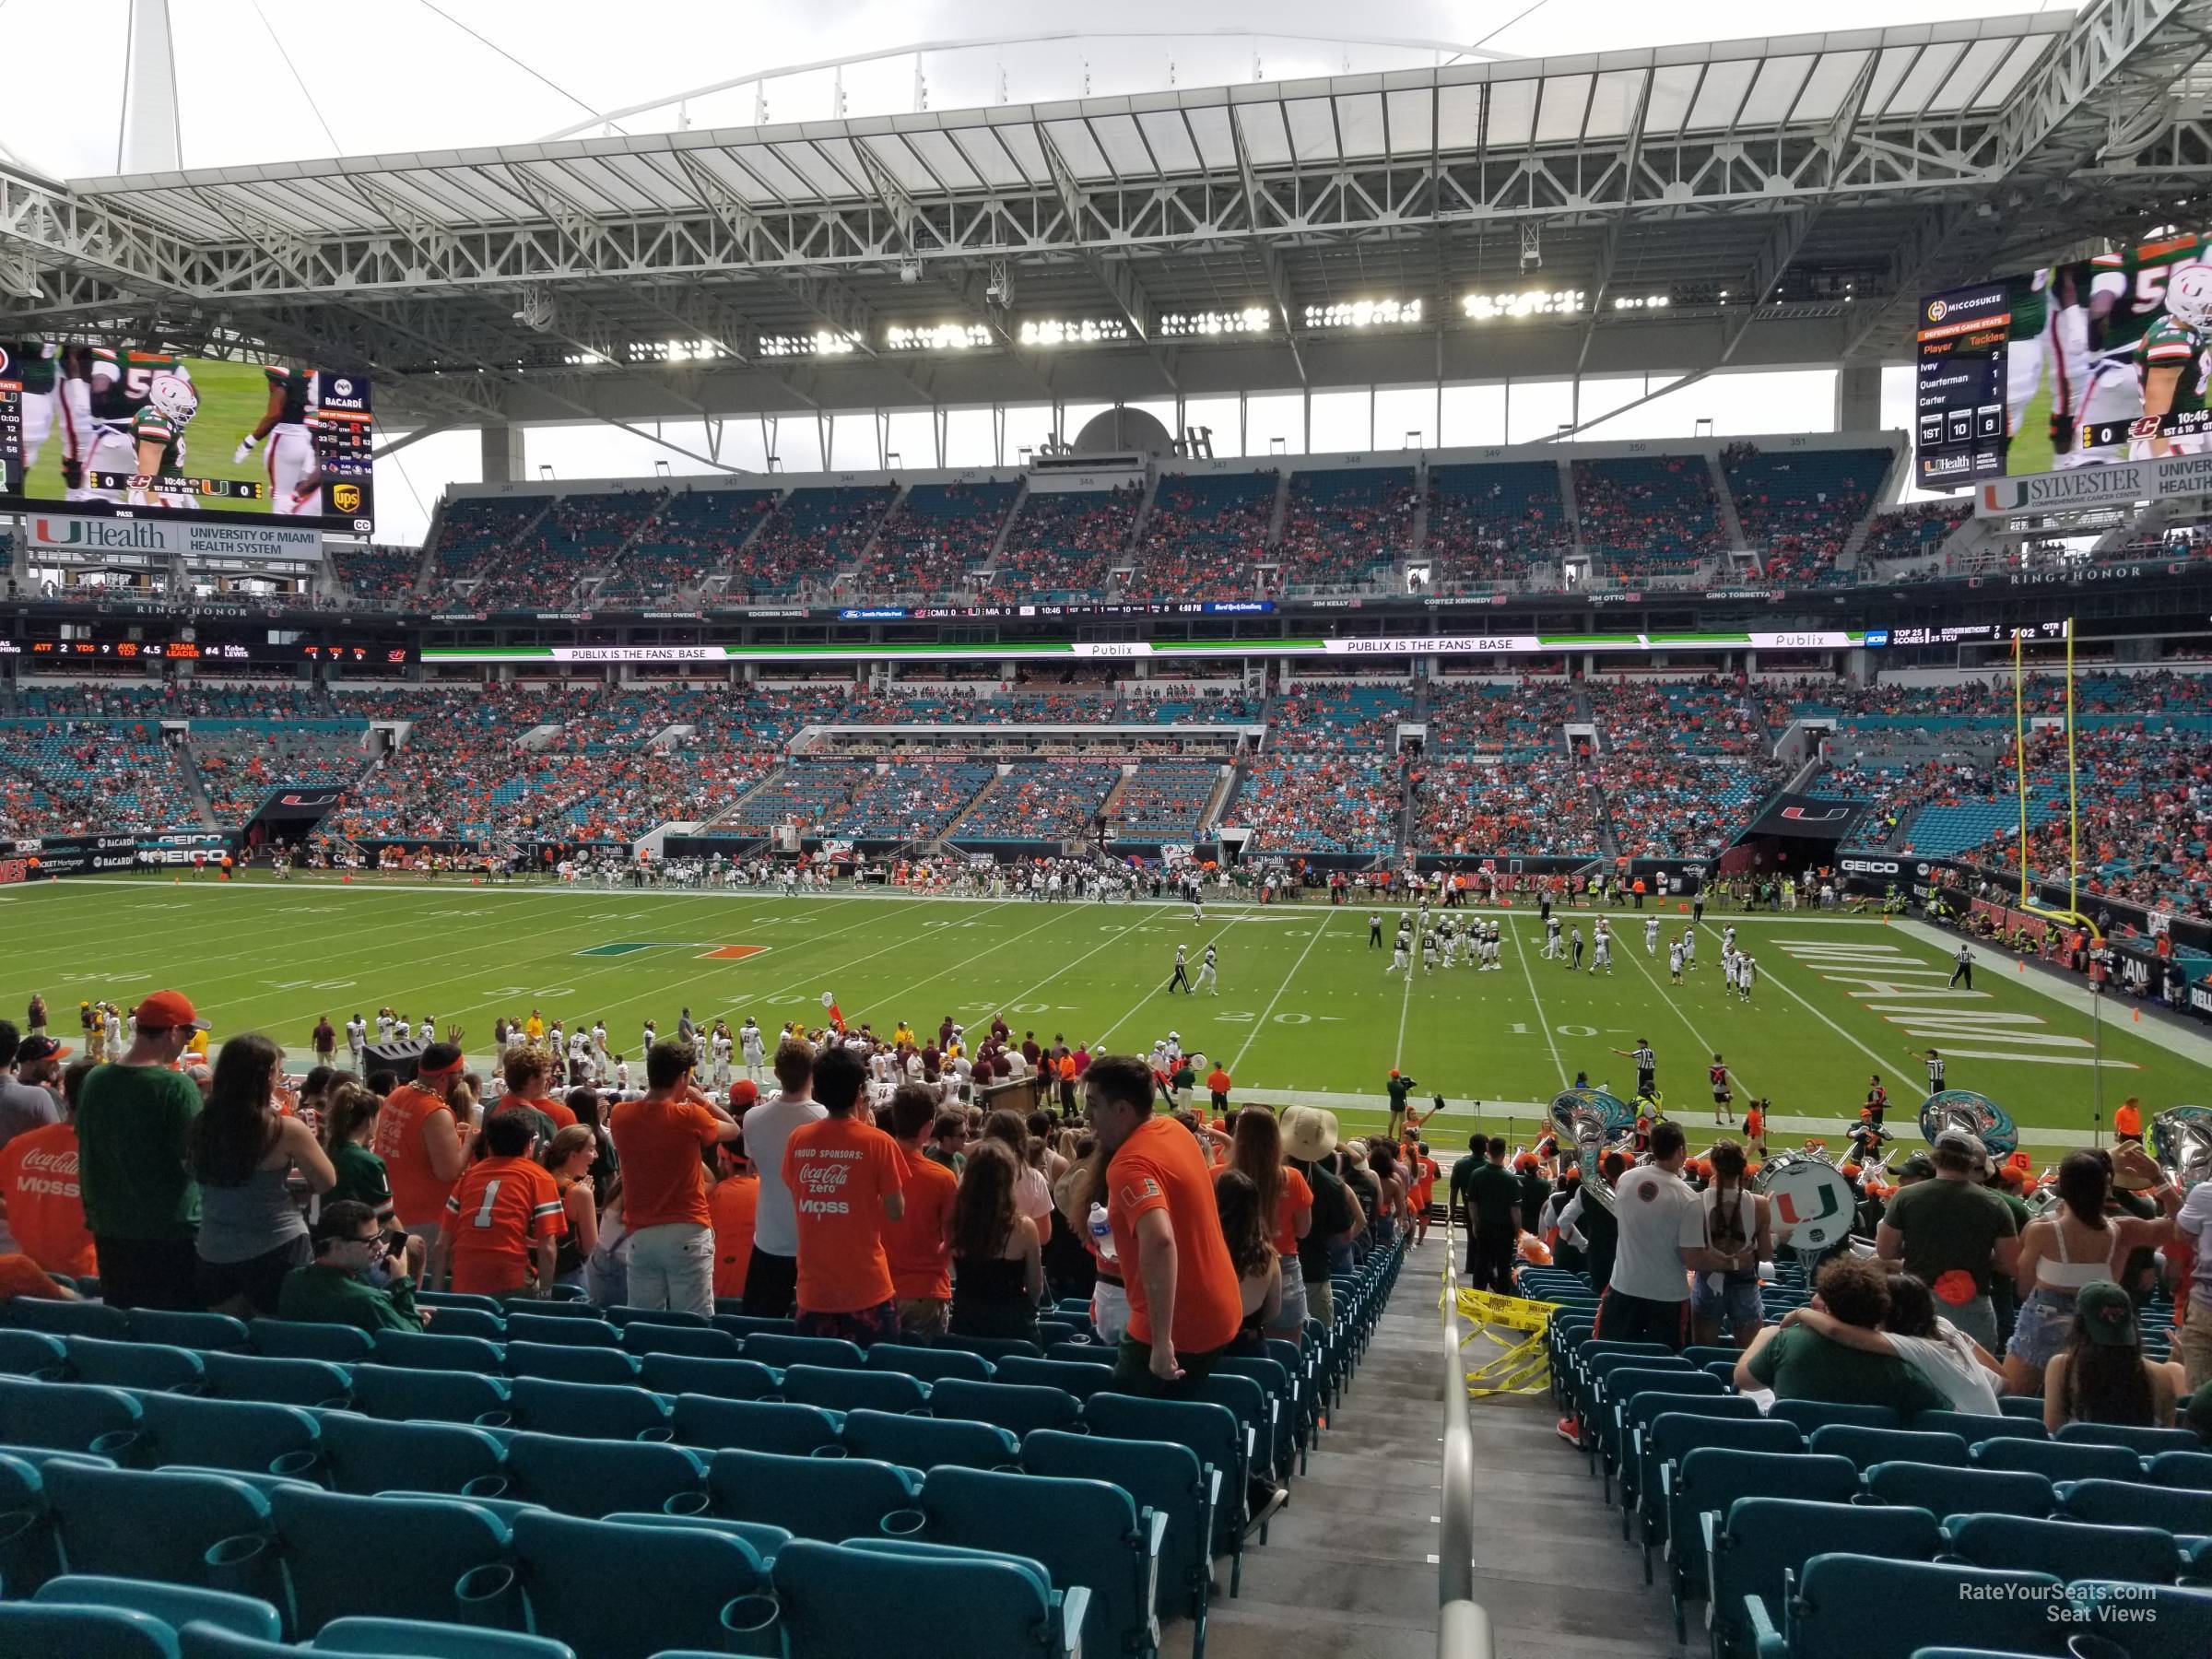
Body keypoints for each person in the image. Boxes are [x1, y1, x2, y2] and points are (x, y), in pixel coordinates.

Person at [1084, 1053, 1241, 1394]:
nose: (1086, 1117)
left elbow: (1160, 1240)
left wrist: (1160, 1341)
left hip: (1181, 1325)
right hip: (1220, 1307)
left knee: (1124, 1424)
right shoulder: (1172, 1129)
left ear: (1123, 1110)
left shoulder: (1128, 1164)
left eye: (1094, 1105)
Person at [2006, 1147, 2177, 1397]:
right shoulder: (2124, 1230)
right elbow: (2183, 1225)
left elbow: (2023, 1288)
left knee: (2013, 1397)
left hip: (2042, 1326)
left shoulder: (2040, 1230)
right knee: (2096, 1400)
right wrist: (2158, 1178)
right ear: (2107, 1185)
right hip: (2101, 1327)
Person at [76, 990, 206, 1310]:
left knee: (123, 1321)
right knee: (172, 1326)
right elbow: (196, 1160)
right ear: (173, 1031)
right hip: (168, 1229)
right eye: (189, 1032)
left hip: (110, 1225)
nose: (189, 1040)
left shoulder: (95, 1078)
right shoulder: (176, 1086)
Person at [191, 1033, 337, 1316]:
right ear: (267, 1075)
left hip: (213, 1248)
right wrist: (300, 1191)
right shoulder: (285, 1129)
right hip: (276, 1246)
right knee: (278, 1336)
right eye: (278, 1071)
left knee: (226, 1338)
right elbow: (326, 1180)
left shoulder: (201, 1124)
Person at [610, 1039, 742, 1316]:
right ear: (683, 1076)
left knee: (644, 1321)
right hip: (687, 1228)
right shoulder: (689, 1115)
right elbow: (733, 1130)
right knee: (693, 1323)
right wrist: (701, 1100)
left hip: (641, 1232)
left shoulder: (620, 1115)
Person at [782, 1047, 906, 1346]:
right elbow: (896, 1210)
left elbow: (795, 1190)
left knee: (820, 1382)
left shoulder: (798, 1138)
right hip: (866, 1288)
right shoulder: (878, 1142)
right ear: (859, 1092)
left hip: (813, 1290)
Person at [1735, 1255, 1949, 1415]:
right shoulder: (1901, 1367)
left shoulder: (1788, 1340)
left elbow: (1744, 1380)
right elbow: (1940, 1411)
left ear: (1827, 1306)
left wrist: (1765, 1335)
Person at [1597, 1122, 1744, 1349]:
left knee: (1614, 1357)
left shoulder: (1626, 1179)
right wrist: (1733, 1262)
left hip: (1623, 1287)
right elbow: (1693, 1259)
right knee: (1664, 1364)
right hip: (1666, 1299)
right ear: (1681, 1150)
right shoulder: (1688, 1198)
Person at [1876, 1129, 2020, 1353]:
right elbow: (2009, 1264)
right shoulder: (1995, 1203)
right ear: (1971, 1162)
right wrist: (1974, 1257)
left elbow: (1885, 1252)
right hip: (1972, 1304)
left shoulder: (1905, 1196)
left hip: (1918, 1301)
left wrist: (1924, 1254)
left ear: (1935, 1158)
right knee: (1976, 1374)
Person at [1778, 1272, 2002, 1416]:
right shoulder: (1943, 1326)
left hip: (1968, 1436)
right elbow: (2006, 1383)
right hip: (1987, 1431)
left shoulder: (1914, 1346)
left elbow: (1837, 1331)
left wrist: (1800, 1313)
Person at [738, 1040, 826, 1317]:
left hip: (770, 1236)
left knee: (762, 1324)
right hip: (812, 1238)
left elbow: (754, 1164)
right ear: (813, 1072)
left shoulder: (752, 1118)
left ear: (776, 1074)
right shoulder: (824, 1118)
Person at [2045, 1279, 2189, 1430]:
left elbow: (2054, 1432)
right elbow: (2165, 1437)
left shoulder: (2062, 1367)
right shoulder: (2162, 1375)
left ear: (2078, 1325)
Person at [372, 1044, 475, 1255]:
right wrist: (470, 1141)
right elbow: (448, 1172)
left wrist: (452, 1135)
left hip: (396, 1210)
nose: (463, 1078)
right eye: (460, 1073)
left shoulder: (397, 1094)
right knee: (419, 1279)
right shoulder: (436, 1112)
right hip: (427, 1218)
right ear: (443, 1077)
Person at [0, 1055, 97, 1277]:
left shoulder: (21, 1145)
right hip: (84, 1278)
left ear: (64, 1092)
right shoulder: (106, 1152)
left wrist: (20, 1211)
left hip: (25, 1274)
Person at [1222, 1107, 1312, 1340]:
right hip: (1282, 1264)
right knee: (1287, 1355)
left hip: (1227, 1265)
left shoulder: (1216, 1176)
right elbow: (1303, 1230)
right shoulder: (1293, 1178)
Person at [278, 1199, 431, 1333]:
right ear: (337, 1245)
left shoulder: (292, 1281)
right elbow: (411, 1338)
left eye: (379, 1236)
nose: (379, 1245)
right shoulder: (369, 1302)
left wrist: (389, 1309)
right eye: (369, 1241)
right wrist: (401, 1281)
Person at [881, 1082, 958, 1338]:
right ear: (928, 1127)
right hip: (924, 1292)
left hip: (875, 1289)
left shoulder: (869, 1169)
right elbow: (952, 1240)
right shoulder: (942, 1178)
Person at [947, 1139, 1042, 1340]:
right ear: (1008, 1179)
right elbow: (1035, 1288)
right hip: (1013, 1328)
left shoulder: (955, 1222)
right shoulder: (1024, 1227)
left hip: (966, 1324)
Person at [1691, 1138, 1770, 1350]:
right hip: (1744, 1282)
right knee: (1748, 1357)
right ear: (1743, 1168)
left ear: (1714, 1166)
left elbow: (1692, 1254)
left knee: (1703, 1353)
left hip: (1708, 1280)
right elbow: (1765, 1256)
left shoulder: (1696, 1201)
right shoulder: (1760, 1204)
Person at [1212, 1168, 1281, 1348]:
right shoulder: (1266, 1255)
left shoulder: (1205, 1249)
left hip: (1209, 1350)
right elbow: (1274, 1310)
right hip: (1250, 1345)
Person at [321, 1082, 395, 1226]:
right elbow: (386, 1220)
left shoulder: (325, 1151)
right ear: (369, 1120)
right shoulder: (370, 1163)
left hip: (320, 1235)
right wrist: (406, 1239)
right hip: (355, 1239)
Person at [541, 1124, 601, 1293]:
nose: (595, 1156)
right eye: (591, 1149)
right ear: (573, 1155)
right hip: (568, 1279)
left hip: (533, 1275)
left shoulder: (537, 1181)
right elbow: (591, 1249)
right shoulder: (579, 1193)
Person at [1459, 1136, 1522, 1295]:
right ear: (1503, 1153)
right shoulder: (1510, 1179)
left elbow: (1472, 1202)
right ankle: (1501, 1298)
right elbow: (1515, 1209)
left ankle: (1478, 1296)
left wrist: (1474, 1223)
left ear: (1488, 1151)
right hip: (1505, 1229)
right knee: (1503, 1265)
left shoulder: (1477, 1174)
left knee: (1482, 1262)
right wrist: (1518, 1230)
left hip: (1484, 1226)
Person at [708, 1138, 759, 1302]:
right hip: (761, 1291)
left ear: (726, 1161)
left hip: (721, 1293)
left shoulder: (717, 1193)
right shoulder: (770, 1189)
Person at [0, 1025, 64, 1150]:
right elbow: (58, 1142)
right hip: (19, 1167)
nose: (57, 1066)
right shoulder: (38, 1097)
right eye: (50, 1061)